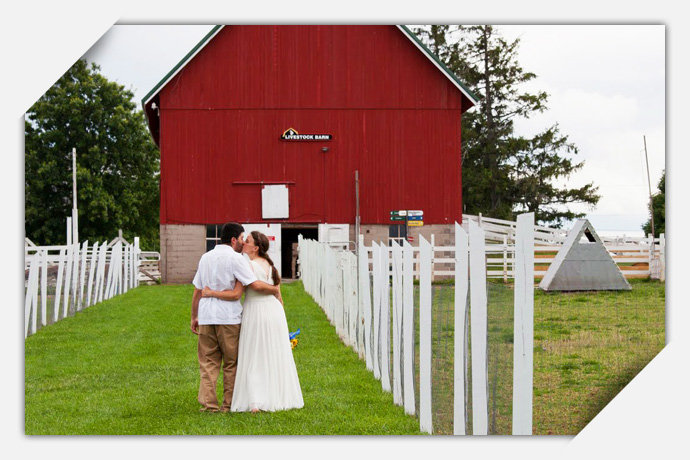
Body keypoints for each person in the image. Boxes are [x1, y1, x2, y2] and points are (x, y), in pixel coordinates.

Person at [202, 231, 303, 413]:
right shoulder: (270, 265)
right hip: (273, 311)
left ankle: (255, 401)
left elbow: (251, 287)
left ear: (255, 247)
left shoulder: (247, 264)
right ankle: (274, 395)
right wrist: (277, 301)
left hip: (256, 311)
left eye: (247, 241)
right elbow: (279, 294)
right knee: (271, 354)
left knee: (254, 355)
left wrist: (211, 293)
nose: (244, 244)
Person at [190, 222, 280, 413]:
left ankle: (209, 405)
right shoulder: (237, 259)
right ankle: (227, 404)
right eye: (241, 238)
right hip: (228, 318)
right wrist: (275, 289)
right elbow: (253, 285)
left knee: (208, 363)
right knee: (231, 363)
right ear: (233, 240)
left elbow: (197, 290)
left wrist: (194, 316)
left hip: (206, 317)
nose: (242, 242)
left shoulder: (205, 258)